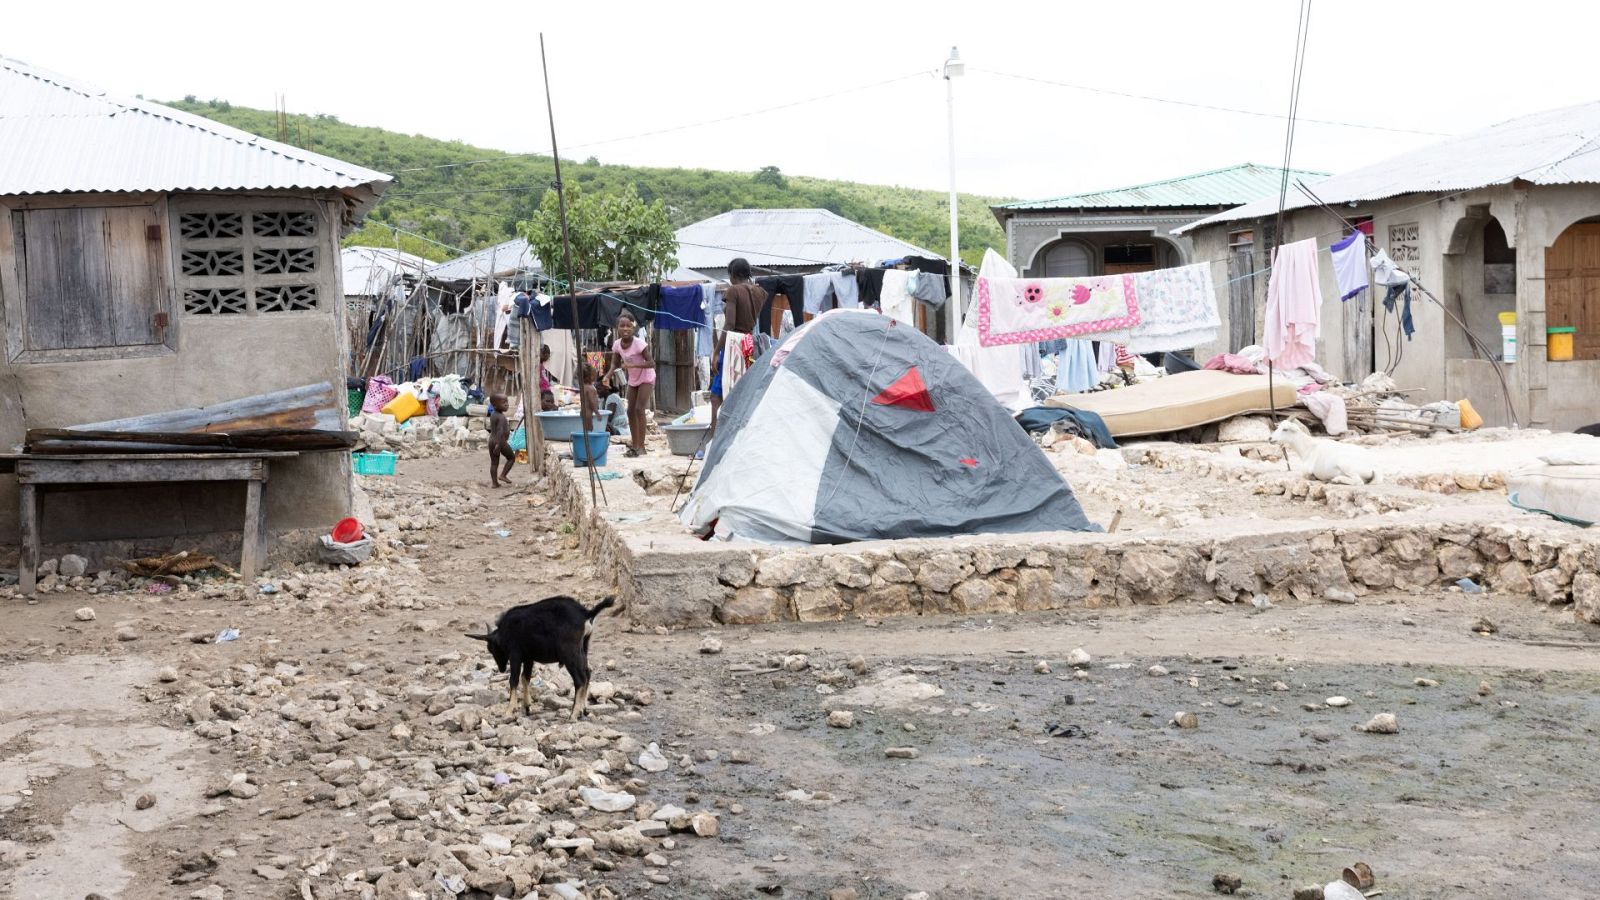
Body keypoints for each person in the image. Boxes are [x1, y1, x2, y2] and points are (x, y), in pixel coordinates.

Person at [604, 311, 654, 457]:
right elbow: (615, 364)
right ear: (617, 328)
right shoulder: (617, 345)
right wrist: (607, 376)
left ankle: (642, 447)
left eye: (628, 326)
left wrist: (633, 366)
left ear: (633, 328)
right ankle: (635, 444)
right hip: (633, 379)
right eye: (622, 326)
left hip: (646, 377)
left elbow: (652, 363)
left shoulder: (639, 344)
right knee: (630, 411)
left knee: (639, 409)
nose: (625, 329)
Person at [487, 394, 515, 487]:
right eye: (503, 403)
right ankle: (503, 475)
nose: (507, 404)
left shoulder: (493, 414)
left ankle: (494, 483)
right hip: (500, 441)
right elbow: (500, 431)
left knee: (494, 463)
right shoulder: (501, 417)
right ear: (495, 405)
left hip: (491, 440)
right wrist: (499, 445)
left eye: (507, 402)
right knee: (511, 457)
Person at [597, 370, 629, 439]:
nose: (596, 391)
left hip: (620, 430)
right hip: (612, 428)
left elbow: (607, 419)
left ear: (606, 388)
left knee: (602, 425)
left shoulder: (613, 398)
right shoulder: (602, 400)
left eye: (599, 389)